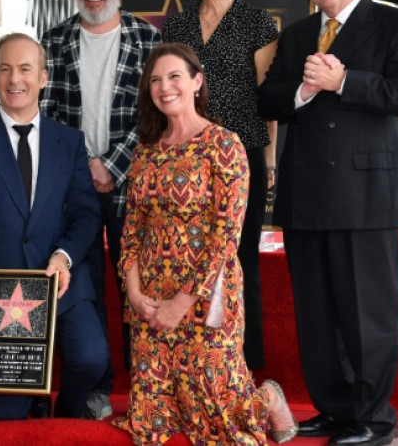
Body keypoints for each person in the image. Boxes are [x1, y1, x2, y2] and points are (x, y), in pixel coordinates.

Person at [257, 0, 398, 445]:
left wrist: (344, 81)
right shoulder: (299, 33)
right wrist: (305, 90)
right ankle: (333, 409)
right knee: (317, 312)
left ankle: (372, 419)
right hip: (306, 194)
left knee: (367, 315)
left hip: (365, 196)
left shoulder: (396, 23)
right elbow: (267, 99)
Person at [112, 43, 297, 445]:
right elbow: (132, 231)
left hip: (207, 296)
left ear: (197, 82)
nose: (164, 87)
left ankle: (265, 398)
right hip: (152, 299)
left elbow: (226, 239)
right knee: (155, 420)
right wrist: (135, 294)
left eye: (174, 76)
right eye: (156, 80)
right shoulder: (145, 151)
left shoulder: (225, 145)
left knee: (219, 418)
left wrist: (181, 302)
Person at [0, 33, 110, 420]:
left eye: (26, 69)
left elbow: (86, 214)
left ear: (44, 78)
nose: (15, 79)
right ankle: (30, 401)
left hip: (58, 279)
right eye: (5, 69)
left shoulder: (68, 142)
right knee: (8, 415)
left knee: (91, 358)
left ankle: (63, 414)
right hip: (0, 293)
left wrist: (64, 257)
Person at [39, 0, 161, 417]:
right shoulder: (52, 41)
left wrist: (110, 166)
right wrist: (81, 169)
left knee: (140, 285)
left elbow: (154, 115)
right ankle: (96, 386)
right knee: (84, 288)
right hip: (74, 190)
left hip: (132, 185)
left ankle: (145, 388)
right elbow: (46, 115)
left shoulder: (148, 41)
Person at [161, 0, 279, 370]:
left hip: (241, 156)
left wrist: (267, 159)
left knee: (238, 257)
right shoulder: (178, 25)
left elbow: (267, 99)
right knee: (186, 255)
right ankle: (191, 364)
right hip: (186, 161)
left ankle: (245, 366)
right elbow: (166, 93)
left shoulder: (255, 21)